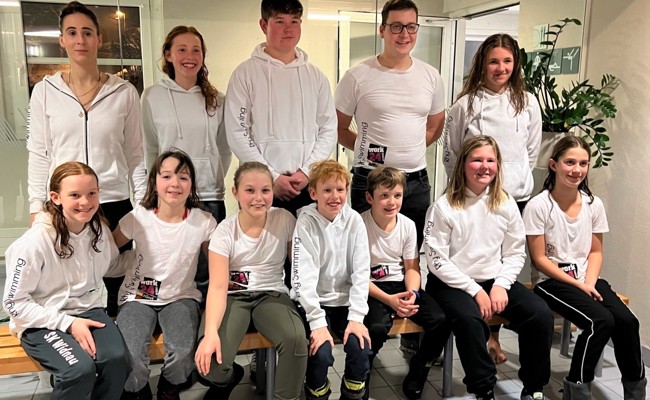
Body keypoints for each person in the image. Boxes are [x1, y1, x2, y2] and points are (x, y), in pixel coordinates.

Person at [335, 0, 446, 356]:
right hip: (368, 180)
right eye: (396, 26)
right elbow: (339, 128)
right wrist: (372, 156)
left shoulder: (430, 76)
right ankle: (364, 331)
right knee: (360, 256)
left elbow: (435, 125)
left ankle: (412, 334)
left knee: (412, 257)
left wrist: (406, 153)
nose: (404, 33)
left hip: (415, 182)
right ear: (382, 29)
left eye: (411, 26)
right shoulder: (358, 75)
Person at [26, 1, 147, 317]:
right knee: (67, 287)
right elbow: (39, 152)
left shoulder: (124, 93)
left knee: (117, 286)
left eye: (87, 32)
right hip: (66, 206)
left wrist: (143, 205)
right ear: (62, 40)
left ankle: (118, 345)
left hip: (114, 202)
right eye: (72, 33)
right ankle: (73, 346)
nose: (80, 40)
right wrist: (36, 206)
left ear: (99, 39)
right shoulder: (45, 92)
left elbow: (136, 154)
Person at [424, 136, 553, 400]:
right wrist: (475, 290)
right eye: (477, 160)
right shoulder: (444, 206)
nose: (485, 166)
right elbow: (436, 260)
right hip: (451, 283)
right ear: (463, 164)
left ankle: (534, 388)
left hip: (494, 280)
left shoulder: (505, 203)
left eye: (490, 160)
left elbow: (515, 252)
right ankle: (483, 389)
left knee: (540, 314)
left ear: (498, 165)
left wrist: (500, 285)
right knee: (470, 320)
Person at [443, 33, 542, 364]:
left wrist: (515, 179)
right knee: (478, 264)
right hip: (475, 198)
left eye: (507, 61)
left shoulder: (528, 102)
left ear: (516, 64)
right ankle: (479, 330)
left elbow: (531, 151)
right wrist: (464, 188)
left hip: (515, 198)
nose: (501, 68)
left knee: (504, 269)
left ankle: (494, 335)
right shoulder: (465, 104)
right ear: (482, 65)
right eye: (494, 61)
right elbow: (452, 152)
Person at [523, 136, 646, 400]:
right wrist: (578, 285)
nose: (576, 170)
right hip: (551, 281)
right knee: (599, 321)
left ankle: (635, 392)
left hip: (587, 278)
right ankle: (576, 390)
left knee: (627, 321)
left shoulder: (593, 204)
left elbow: (596, 252)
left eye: (583, 163)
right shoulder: (538, 206)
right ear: (554, 165)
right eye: (569, 162)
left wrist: (588, 283)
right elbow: (539, 259)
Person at [3, 161, 131, 400]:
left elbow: (111, 266)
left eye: (92, 193)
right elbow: (14, 303)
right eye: (75, 195)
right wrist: (68, 323)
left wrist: (149, 258)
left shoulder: (98, 230)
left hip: (88, 310)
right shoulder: (34, 242)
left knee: (118, 361)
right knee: (79, 371)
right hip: (41, 320)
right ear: (56, 197)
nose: (85, 202)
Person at [194, 161, 308, 400]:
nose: (258, 198)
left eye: (265, 190)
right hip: (233, 296)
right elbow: (217, 287)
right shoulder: (224, 232)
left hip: (272, 294)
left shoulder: (284, 219)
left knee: (296, 340)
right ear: (235, 192)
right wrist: (211, 332)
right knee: (211, 364)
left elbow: (301, 266)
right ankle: (231, 376)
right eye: (250, 190)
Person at [113, 150, 216, 400]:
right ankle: (138, 391)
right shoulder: (138, 217)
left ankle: (169, 389)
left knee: (182, 353)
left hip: (181, 296)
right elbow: (107, 251)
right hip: (137, 297)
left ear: (191, 184)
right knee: (131, 355)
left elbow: (218, 264)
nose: (175, 183)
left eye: (183, 177)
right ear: (154, 181)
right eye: (167, 176)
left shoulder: (204, 221)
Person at [142, 25, 232, 304]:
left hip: (209, 195)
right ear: (168, 55)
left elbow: (224, 148)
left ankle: (209, 324)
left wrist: (211, 175)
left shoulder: (217, 100)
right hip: (169, 198)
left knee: (209, 271)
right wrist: (153, 191)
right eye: (181, 49)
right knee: (172, 268)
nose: (189, 56)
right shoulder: (152, 96)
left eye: (196, 50)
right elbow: (150, 148)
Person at [224, 0, 337, 216]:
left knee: (306, 239)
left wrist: (307, 172)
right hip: (261, 187)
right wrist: (271, 177)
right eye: (279, 21)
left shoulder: (316, 77)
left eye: (294, 21)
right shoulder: (245, 74)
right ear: (263, 25)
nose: (288, 29)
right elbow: (237, 131)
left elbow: (328, 129)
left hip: (307, 185)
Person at [361, 166, 450, 400]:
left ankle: (420, 369)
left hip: (401, 285)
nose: (391, 202)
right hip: (371, 288)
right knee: (377, 327)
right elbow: (356, 276)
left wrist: (412, 293)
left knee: (440, 320)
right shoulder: (359, 225)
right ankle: (361, 373)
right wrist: (389, 301)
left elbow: (412, 267)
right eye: (384, 195)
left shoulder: (408, 225)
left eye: (397, 195)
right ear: (370, 197)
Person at [291, 160, 371, 400]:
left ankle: (352, 394)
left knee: (360, 348)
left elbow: (361, 271)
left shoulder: (354, 220)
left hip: (345, 302)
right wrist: (317, 322)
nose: (335, 196)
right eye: (327, 190)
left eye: (340, 189)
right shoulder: (305, 222)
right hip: (314, 304)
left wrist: (357, 317)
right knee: (320, 353)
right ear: (313, 193)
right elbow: (303, 277)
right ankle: (316, 393)